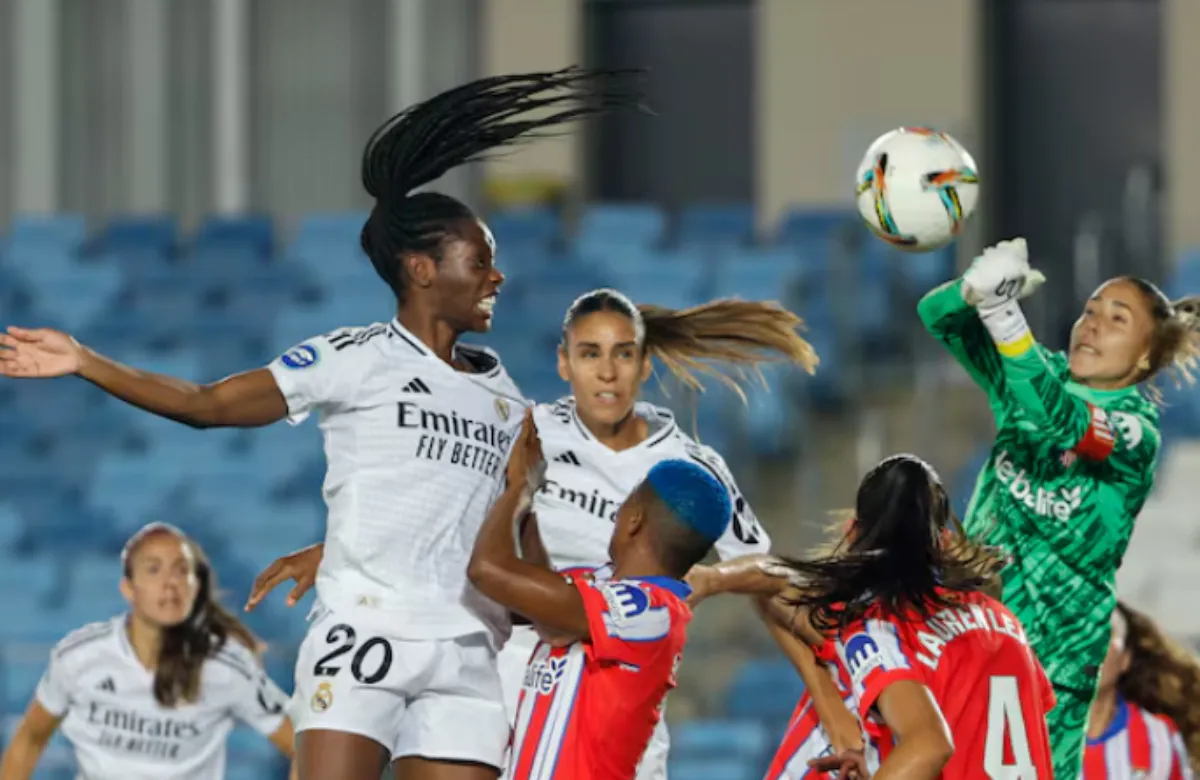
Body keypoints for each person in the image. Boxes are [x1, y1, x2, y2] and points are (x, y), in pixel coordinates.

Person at [0, 67, 645, 780]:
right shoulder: (355, 357)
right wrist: (88, 360)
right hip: (364, 630)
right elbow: (208, 406)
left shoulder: (507, 399)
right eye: (481, 260)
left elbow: (499, 535)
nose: (497, 276)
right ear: (422, 268)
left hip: (466, 647)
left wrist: (563, 606)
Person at [245, 287, 820, 779]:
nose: (608, 371)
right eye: (590, 354)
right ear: (564, 362)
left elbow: (771, 578)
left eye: (624, 355)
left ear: (646, 366)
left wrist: (827, 702)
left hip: (617, 698)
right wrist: (334, 551)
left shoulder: (689, 468)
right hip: (519, 681)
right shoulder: (528, 429)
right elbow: (441, 507)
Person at [916, 237, 1200, 777]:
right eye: (1090, 310)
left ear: (1143, 356)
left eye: (1116, 318)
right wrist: (972, 290)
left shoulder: (1134, 432)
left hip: (1049, 661)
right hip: (966, 635)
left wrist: (1004, 316)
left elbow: (1062, 421)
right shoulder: (1030, 378)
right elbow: (937, 316)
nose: (1092, 323)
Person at [695, 454, 1056, 779]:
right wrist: (826, 698)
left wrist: (709, 579)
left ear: (852, 532)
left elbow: (771, 582)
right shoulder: (1006, 623)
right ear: (944, 541)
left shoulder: (877, 625)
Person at [468, 411, 732, 780]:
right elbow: (547, 612)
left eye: (623, 505)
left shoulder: (652, 611)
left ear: (635, 519)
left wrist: (518, 489)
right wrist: (527, 510)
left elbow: (488, 570)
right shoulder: (605, 588)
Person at [0, 523, 295, 780]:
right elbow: (30, 738)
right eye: (153, 570)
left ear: (194, 587)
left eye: (182, 570)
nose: (170, 583)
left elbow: (308, 745)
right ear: (128, 588)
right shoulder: (80, 656)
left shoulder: (226, 666)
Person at [1083, 601, 1199, 778]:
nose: (1090, 650)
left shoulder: (1158, 741)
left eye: (1105, 635)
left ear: (1125, 660)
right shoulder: (1030, 740)